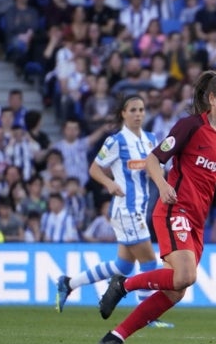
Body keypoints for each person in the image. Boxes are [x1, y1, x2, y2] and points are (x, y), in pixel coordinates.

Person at [95, 72, 216, 344]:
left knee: (176, 290)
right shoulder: (190, 126)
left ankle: (114, 337)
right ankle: (124, 284)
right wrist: (163, 184)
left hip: (197, 220)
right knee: (185, 276)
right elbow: (154, 159)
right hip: (173, 209)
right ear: (212, 99)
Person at [55, 94, 165, 322]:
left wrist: (154, 172)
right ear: (123, 114)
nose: (138, 114)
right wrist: (109, 183)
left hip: (139, 208)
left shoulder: (151, 139)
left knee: (123, 265)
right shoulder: (116, 141)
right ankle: (147, 316)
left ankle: (69, 283)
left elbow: (160, 169)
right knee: (150, 263)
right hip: (126, 210)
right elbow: (94, 168)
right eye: (133, 110)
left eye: (141, 110)